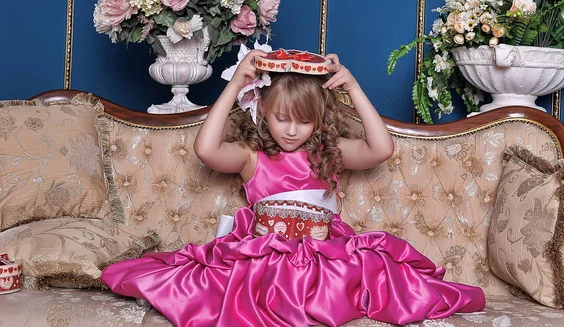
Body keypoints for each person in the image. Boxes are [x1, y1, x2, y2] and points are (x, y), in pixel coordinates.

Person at [101, 50, 486, 327]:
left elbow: (381, 148)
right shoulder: (252, 156)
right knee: (226, 279)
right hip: (265, 251)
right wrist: (236, 83)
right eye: (281, 118)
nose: (290, 130)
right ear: (261, 110)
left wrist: (352, 85)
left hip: (323, 251)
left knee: (375, 267)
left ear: (318, 121)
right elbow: (205, 149)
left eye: (303, 122)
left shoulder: (329, 153)